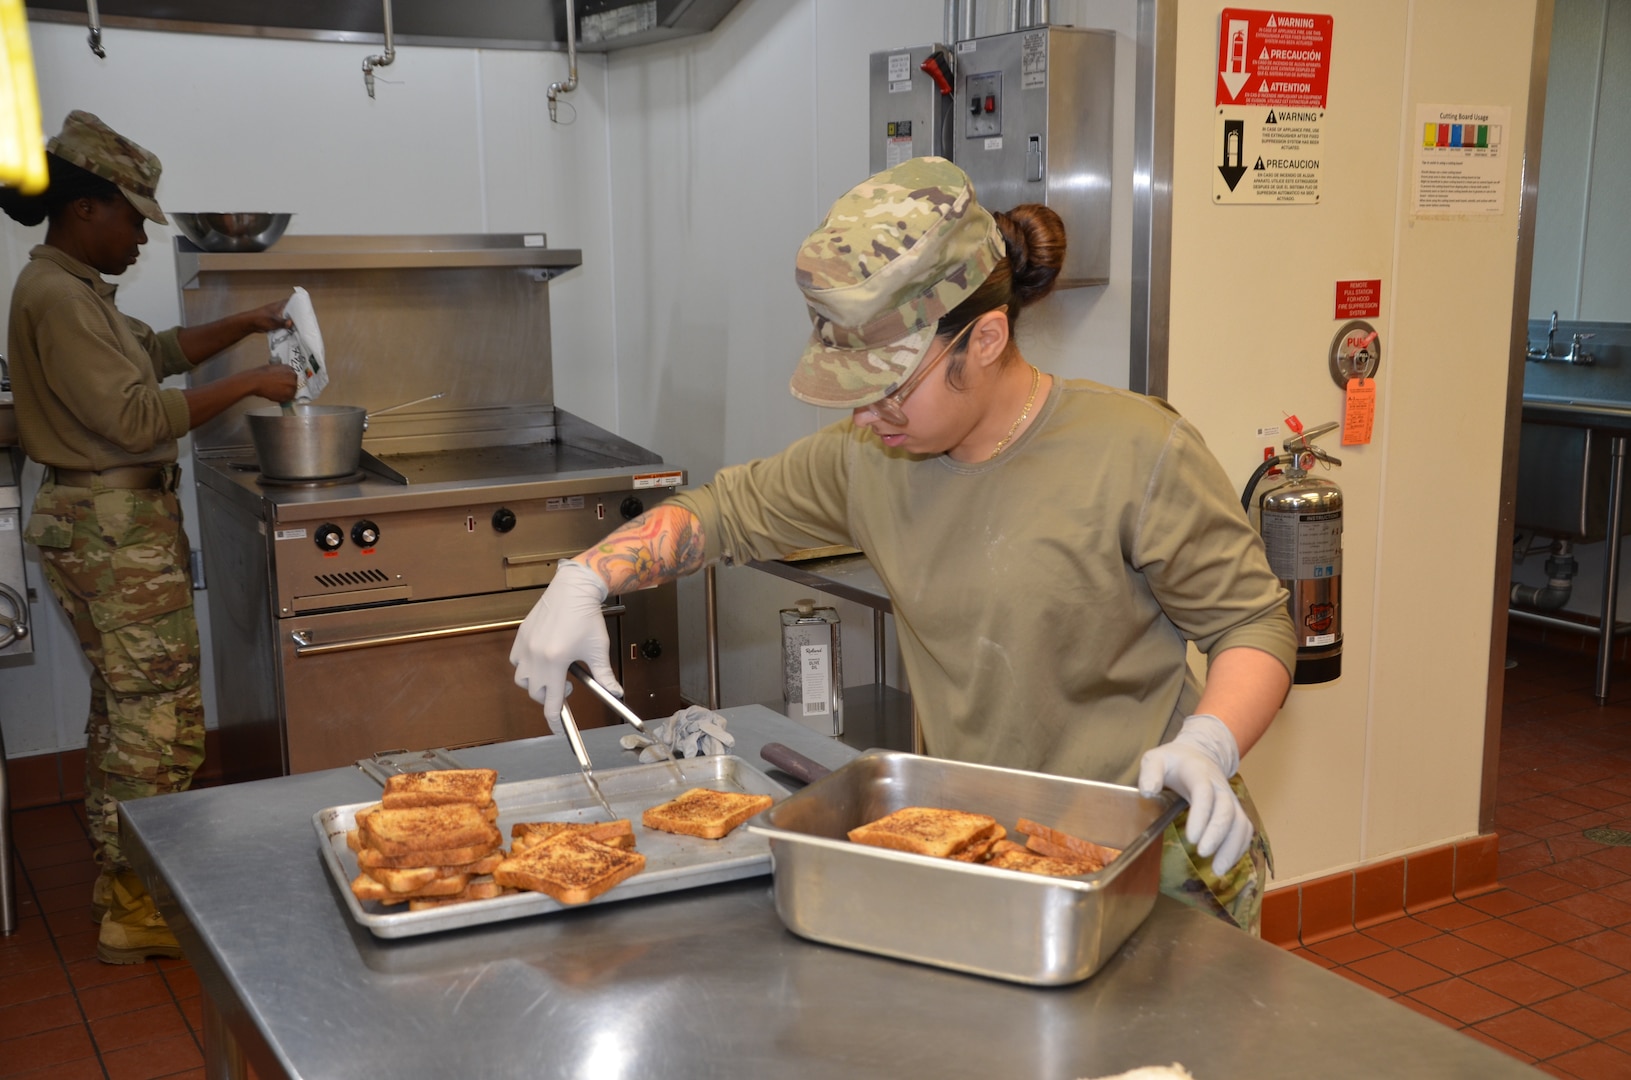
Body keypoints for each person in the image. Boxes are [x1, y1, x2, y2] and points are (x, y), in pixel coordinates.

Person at [510, 156, 1296, 932]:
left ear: (985, 339)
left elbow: (1252, 626)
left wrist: (1208, 743)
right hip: (987, 849)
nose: (862, 417)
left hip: (1154, 852)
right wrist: (587, 575)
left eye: (886, 388)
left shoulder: (1133, 451)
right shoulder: (870, 458)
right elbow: (723, 513)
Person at [0, 111, 298, 963]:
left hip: (108, 527)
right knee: (160, 718)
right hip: (111, 531)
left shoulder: (73, 289)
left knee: (127, 711)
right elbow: (134, 419)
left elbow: (157, 353)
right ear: (86, 207)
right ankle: (135, 905)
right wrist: (252, 382)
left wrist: (247, 321)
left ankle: (125, 876)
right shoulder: (58, 297)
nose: (140, 237)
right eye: (134, 219)